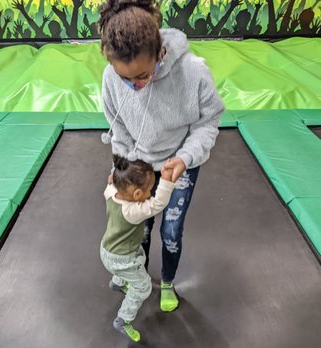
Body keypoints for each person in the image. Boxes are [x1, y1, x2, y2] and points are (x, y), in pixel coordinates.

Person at [98, 0, 225, 314]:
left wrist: (185, 158)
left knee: (170, 231)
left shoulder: (192, 71)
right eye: (126, 78)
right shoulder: (112, 78)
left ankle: (167, 280)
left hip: (177, 163)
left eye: (142, 75)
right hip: (138, 163)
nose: (134, 86)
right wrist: (123, 165)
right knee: (139, 228)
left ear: (160, 53)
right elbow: (119, 129)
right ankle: (137, 273)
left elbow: (208, 121)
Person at [100, 155, 175, 342]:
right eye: (150, 190)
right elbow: (158, 204)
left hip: (107, 250)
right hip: (122, 259)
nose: (151, 193)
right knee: (143, 287)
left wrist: (114, 175)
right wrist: (165, 181)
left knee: (139, 256)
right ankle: (123, 320)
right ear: (137, 195)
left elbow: (111, 181)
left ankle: (117, 282)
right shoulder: (132, 212)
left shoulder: (110, 192)